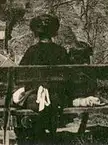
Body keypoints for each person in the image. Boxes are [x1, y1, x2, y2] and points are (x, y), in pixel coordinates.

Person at [14, 14, 70, 145]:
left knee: (31, 101)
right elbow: (68, 76)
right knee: (51, 103)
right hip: (57, 98)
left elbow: (20, 74)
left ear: (35, 33)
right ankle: (48, 135)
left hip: (35, 98)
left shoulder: (32, 51)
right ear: (54, 32)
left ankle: (36, 135)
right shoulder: (61, 51)